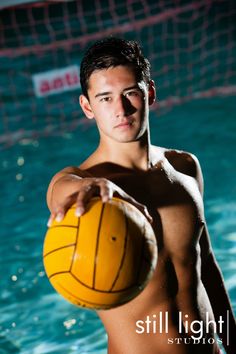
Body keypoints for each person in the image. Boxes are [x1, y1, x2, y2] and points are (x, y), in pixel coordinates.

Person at [46, 37, 235, 354]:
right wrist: (89, 189)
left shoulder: (184, 167)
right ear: (87, 107)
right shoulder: (85, 183)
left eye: (129, 93)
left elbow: (208, 271)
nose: (120, 109)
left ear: (149, 92)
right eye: (105, 98)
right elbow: (61, 190)